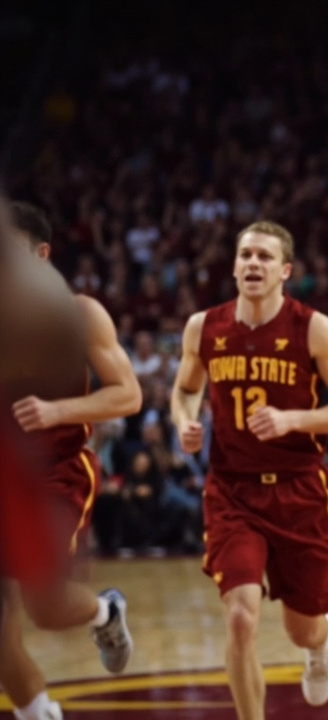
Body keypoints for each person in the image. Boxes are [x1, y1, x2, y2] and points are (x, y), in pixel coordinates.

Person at [169, 220, 328, 720]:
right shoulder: (204, 327)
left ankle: (321, 646)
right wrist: (184, 421)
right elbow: (187, 388)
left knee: (301, 627)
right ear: (234, 266)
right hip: (232, 493)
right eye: (245, 255)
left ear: (284, 271)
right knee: (239, 618)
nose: (253, 263)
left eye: (264, 256)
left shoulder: (313, 327)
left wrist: (293, 419)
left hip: (299, 490)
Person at [1, 201, 142, 720]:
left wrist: (59, 408)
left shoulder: (79, 313)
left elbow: (127, 395)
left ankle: (106, 610)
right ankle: (40, 713)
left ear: (41, 255)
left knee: (44, 606)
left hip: (56, 471)